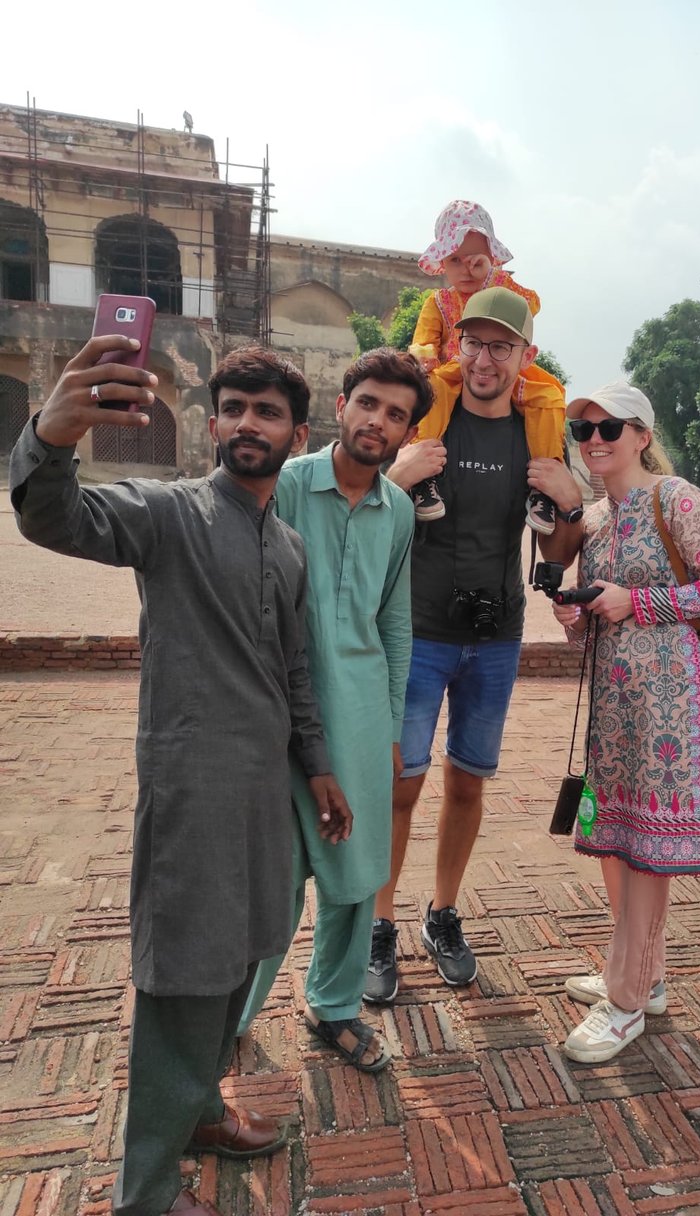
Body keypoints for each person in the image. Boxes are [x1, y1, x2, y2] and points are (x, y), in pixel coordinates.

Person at [9, 336, 351, 1216]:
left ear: (297, 432)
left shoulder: (288, 548)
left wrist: (316, 769)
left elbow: (295, 671)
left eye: (266, 411)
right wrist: (49, 437)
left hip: (261, 795)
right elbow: (56, 519)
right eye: (232, 408)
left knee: (245, 950)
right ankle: (146, 1197)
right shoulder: (168, 515)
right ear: (210, 425)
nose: (247, 423)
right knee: (185, 978)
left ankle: (198, 1112)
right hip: (194, 787)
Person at [364, 286, 583, 1002]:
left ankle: (443, 912)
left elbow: (556, 546)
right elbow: (364, 519)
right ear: (456, 345)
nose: (485, 358)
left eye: (501, 346)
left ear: (525, 357)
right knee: (401, 783)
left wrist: (571, 503)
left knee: (467, 780)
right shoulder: (428, 421)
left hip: (495, 639)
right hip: (420, 631)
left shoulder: (536, 435)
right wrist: (398, 478)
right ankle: (380, 924)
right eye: (474, 343)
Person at [236, 348, 433, 1071]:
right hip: (282, 714)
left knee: (357, 876)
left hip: (359, 713)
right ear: (342, 405)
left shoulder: (399, 510)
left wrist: (388, 726)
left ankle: (335, 1004)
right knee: (277, 879)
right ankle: (231, 1019)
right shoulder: (286, 485)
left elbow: (394, 624)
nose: (378, 421)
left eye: (396, 414)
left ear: (407, 433)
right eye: (369, 403)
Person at [544, 382, 700, 1064]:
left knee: (646, 847)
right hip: (615, 702)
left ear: (641, 434)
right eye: (583, 428)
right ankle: (643, 974)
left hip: (669, 700)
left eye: (610, 427)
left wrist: (638, 600)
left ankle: (627, 999)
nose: (594, 439)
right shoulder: (597, 519)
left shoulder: (675, 498)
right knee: (619, 838)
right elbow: (599, 615)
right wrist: (575, 615)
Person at [407, 200, 566, 534]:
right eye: (455, 261)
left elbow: (532, 303)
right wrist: (424, 356)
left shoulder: (501, 291)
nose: (466, 270)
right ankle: (425, 474)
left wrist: (494, 277)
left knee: (549, 396)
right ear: (442, 264)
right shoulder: (438, 303)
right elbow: (423, 339)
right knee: (433, 388)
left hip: (509, 378)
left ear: (491, 260)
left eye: (475, 261)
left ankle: (544, 484)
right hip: (454, 371)